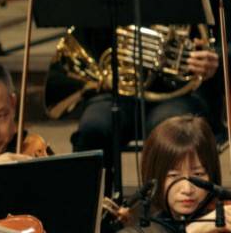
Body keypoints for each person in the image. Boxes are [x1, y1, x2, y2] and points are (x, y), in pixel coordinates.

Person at [65, 24, 220, 193]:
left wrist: (216, 57)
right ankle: (93, 204)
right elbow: (87, 35)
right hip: (119, 89)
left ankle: (170, 205)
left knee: (170, 131)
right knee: (93, 127)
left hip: (183, 93)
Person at [110, 114, 222, 233]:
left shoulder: (223, 228)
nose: (187, 189)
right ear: (154, 178)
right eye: (173, 176)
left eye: (198, 174)